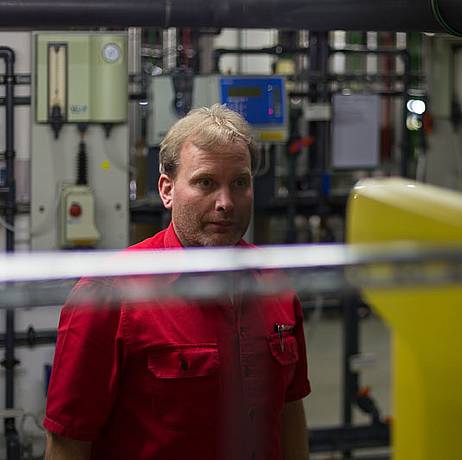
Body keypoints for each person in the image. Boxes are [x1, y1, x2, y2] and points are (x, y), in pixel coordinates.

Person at [43, 104, 311, 460]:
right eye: (205, 182)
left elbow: (290, 412)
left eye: (240, 183)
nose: (225, 203)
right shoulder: (107, 296)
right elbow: (68, 445)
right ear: (167, 190)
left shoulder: (274, 285)